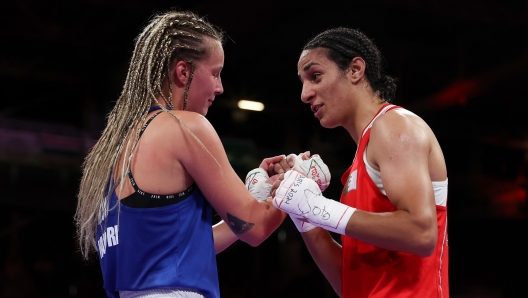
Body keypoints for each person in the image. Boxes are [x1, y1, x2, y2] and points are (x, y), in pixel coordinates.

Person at [75, 10, 289, 298]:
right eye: (215, 73)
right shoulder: (186, 127)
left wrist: (261, 196)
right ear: (183, 72)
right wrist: (295, 184)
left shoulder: (115, 148)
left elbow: (182, 247)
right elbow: (258, 229)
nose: (220, 87)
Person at [272, 27, 449, 297]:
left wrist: (318, 206)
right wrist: (303, 213)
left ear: (355, 70)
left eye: (315, 76)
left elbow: (421, 234)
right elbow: (349, 286)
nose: (305, 94)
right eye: (303, 82)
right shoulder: (359, 163)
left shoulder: (394, 126)